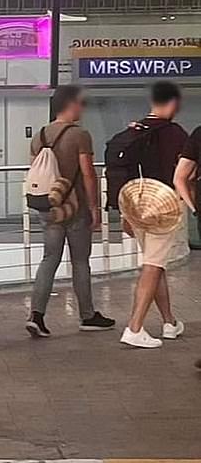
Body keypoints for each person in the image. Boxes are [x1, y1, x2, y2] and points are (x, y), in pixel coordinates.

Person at [27, 85, 115, 338]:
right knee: (79, 261)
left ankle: (37, 315)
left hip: (49, 208)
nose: (82, 108)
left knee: (49, 259)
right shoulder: (80, 135)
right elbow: (88, 174)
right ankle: (87, 315)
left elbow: (37, 173)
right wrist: (94, 207)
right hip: (75, 209)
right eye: (80, 103)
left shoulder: (40, 135)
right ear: (71, 104)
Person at [120, 81, 188, 349]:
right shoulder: (176, 134)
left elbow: (123, 171)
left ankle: (170, 322)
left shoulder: (134, 131)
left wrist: (126, 212)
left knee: (155, 263)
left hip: (138, 204)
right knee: (153, 265)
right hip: (165, 206)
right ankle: (134, 327)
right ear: (173, 103)